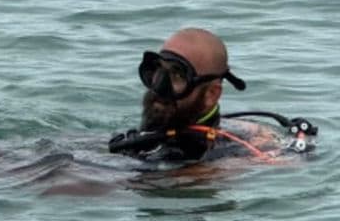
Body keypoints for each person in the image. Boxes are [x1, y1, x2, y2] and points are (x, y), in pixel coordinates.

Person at [108, 27, 317, 162]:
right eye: (157, 71)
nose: (158, 88)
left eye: (177, 75)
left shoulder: (221, 159)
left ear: (211, 94)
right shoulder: (152, 138)